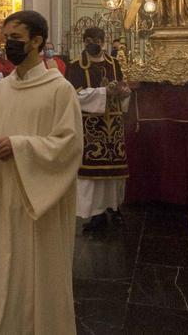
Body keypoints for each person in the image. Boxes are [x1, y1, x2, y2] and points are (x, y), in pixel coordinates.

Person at [0, 10, 83, 334]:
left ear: (37, 41)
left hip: (40, 201)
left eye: (15, 39)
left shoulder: (60, 90)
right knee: (3, 269)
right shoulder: (3, 90)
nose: (8, 46)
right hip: (5, 196)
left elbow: (69, 145)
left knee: (39, 272)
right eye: (5, 40)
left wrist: (17, 146)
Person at [65, 27, 131, 233]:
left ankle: (114, 207)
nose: (91, 43)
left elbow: (122, 90)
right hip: (90, 128)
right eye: (88, 40)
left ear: (103, 42)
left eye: (96, 40)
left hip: (114, 126)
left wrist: (123, 92)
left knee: (114, 173)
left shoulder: (114, 64)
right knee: (91, 175)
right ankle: (95, 213)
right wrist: (104, 92)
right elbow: (74, 96)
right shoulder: (76, 66)